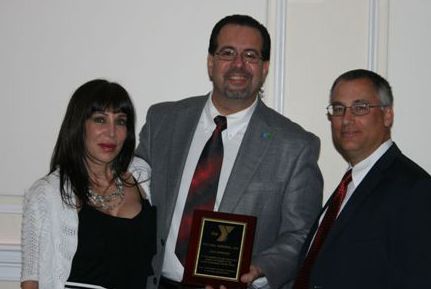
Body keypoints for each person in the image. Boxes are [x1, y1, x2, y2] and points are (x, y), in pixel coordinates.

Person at [136, 14, 323, 289]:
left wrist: (260, 269)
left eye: (250, 55)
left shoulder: (294, 146)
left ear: (264, 67)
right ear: (210, 63)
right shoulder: (163, 121)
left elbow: (302, 233)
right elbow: (134, 187)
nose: (239, 64)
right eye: (227, 53)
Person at [293, 69, 431, 289]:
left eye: (360, 107)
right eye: (338, 109)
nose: (346, 119)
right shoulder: (347, 187)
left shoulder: (417, 191)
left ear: (387, 115)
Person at [21, 79, 155, 289]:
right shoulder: (45, 194)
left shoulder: (144, 176)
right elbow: (31, 280)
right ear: (78, 125)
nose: (111, 132)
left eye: (120, 121)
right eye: (100, 120)